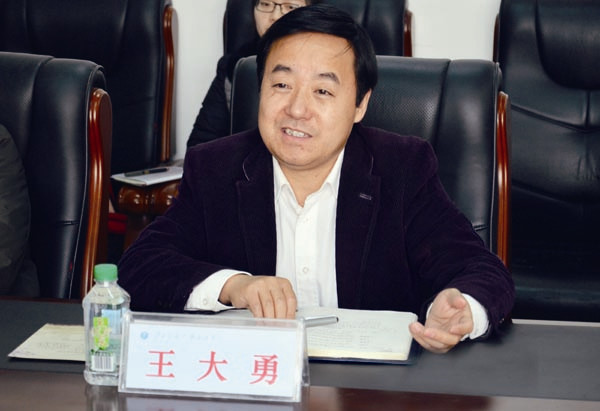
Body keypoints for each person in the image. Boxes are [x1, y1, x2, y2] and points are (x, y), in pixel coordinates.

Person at [119, 4, 515, 354]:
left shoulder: (401, 169)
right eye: (281, 85)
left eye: (323, 91)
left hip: (371, 393)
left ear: (360, 104)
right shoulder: (216, 169)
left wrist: (463, 308)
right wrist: (233, 286)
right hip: (259, 384)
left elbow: (481, 269)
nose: (297, 109)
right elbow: (140, 266)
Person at [186, 0, 320, 148]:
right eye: (266, 4)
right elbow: (200, 146)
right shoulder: (234, 67)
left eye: (289, 7)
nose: (275, 16)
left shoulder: (327, 69)